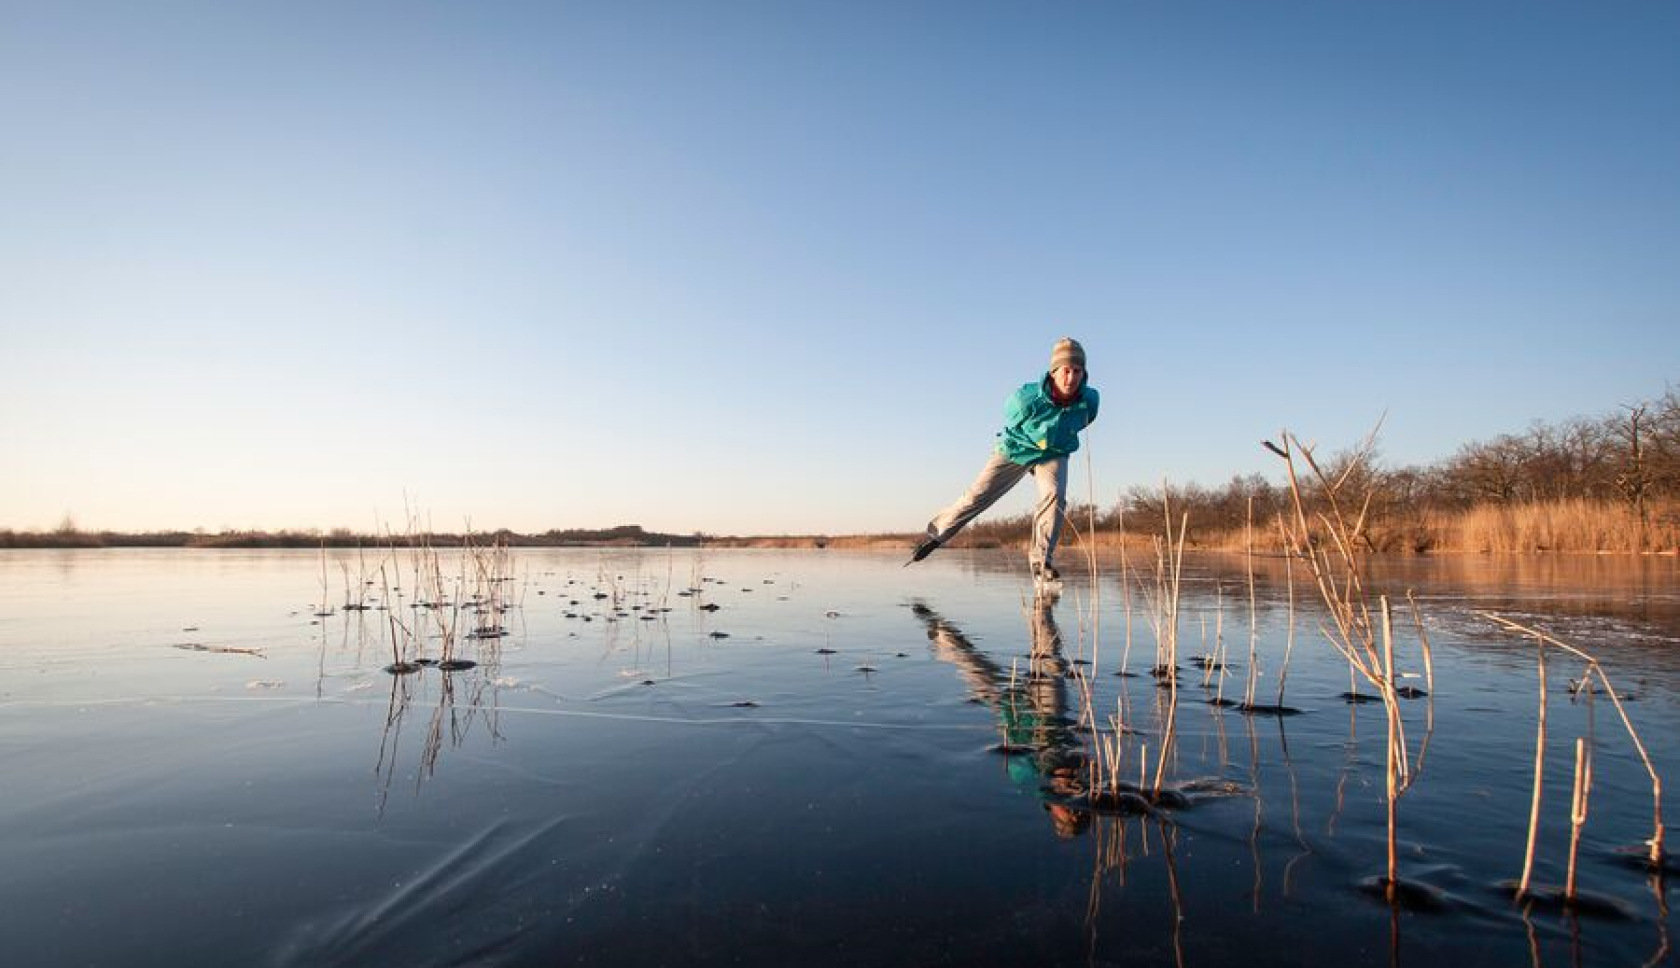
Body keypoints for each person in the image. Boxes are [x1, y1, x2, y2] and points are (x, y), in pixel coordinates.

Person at [909, 337, 1098, 583]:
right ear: (1053, 372)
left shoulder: (1090, 400)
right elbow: (1010, 423)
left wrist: (1056, 442)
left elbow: (1082, 422)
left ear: (1084, 373)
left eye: (1077, 371)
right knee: (978, 496)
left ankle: (1042, 562)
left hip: (1053, 453)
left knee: (1055, 496)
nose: (1071, 378)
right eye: (1066, 371)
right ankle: (936, 535)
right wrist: (1037, 437)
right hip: (1016, 450)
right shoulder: (1025, 400)